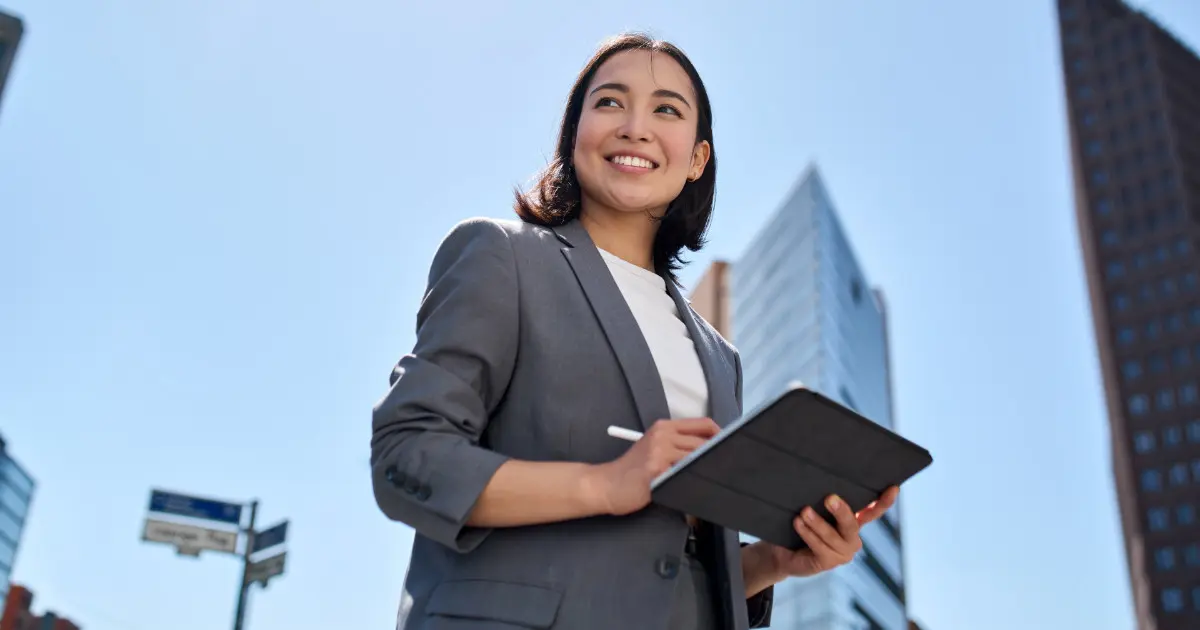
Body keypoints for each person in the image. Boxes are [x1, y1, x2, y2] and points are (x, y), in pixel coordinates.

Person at [370, 32, 900, 630]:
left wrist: (773, 560)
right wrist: (605, 484)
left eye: (666, 110)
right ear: (576, 135)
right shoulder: (503, 256)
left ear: (697, 159)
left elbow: (671, 566)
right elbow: (407, 457)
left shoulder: (719, 357)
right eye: (610, 102)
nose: (635, 127)